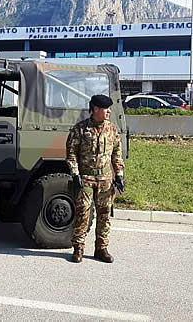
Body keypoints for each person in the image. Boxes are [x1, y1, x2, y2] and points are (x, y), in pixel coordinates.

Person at [65, 94, 125, 263]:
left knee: (104, 214)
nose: (109, 112)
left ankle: (101, 248)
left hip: (106, 179)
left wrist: (119, 175)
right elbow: (71, 154)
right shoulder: (80, 129)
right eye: (106, 109)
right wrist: (75, 173)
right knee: (82, 213)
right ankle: (78, 248)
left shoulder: (112, 130)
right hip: (86, 178)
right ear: (96, 109)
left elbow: (117, 155)